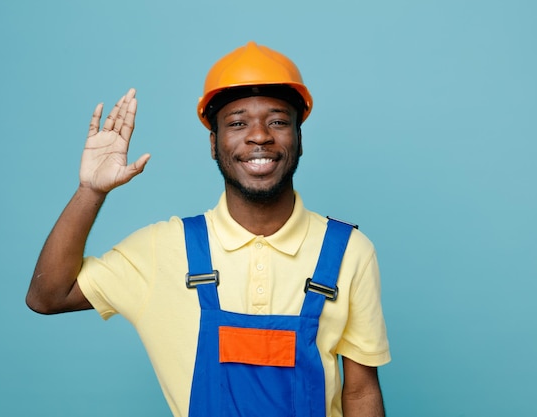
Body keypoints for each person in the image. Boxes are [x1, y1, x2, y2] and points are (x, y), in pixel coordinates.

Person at [26, 41, 390, 417]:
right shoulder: (164, 249)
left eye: (278, 121)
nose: (259, 135)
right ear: (214, 144)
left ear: (299, 139)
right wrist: (91, 191)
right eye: (237, 123)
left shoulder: (349, 251)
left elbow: (361, 393)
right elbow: (49, 296)